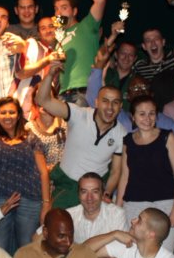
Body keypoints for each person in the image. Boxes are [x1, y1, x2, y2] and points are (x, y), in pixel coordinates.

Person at [36, 60, 126, 209]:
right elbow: (42, 100)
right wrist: (50, 75)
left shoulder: (121, 133)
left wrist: (107, 193)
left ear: (120, 106)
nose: (110, 107)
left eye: (115, 102)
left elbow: (116, 171)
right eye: (105, 101)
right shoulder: (78, 114)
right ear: (96, 102)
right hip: (66, 189)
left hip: (94, 195)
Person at [117, 95, 174, 252]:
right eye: (142, 114)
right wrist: (118, 208)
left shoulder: (168, 137)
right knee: (135, 253)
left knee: (163, 254)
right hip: (134, 206)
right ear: (133, 117)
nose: (147, 118)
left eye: (151, 113)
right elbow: (124, 177)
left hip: (166, 205)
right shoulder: (128, 141)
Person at [0, 97, 51, 255]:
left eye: (11, 112)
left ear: (19, 115)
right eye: (3, 112)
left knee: (27, 249)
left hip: (29, 200)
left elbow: (43, 172)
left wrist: (46, 204)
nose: (7, 116)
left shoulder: (31, 138)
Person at [53, 0, 107, 106]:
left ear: (74, 11)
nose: (59, 13)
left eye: (64, 8)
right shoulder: (58, 37)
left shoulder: (86, 26)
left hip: (84, 90)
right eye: (56, 9)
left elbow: (100, 0)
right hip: (63, 94)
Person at [26, 81, 67, 172]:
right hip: (43, 175)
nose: (43, 102)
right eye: (39, 98)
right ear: (34, 102)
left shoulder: (66, 122)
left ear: (55, 100)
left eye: (47, 97)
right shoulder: (29, 128)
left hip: (66, 175)